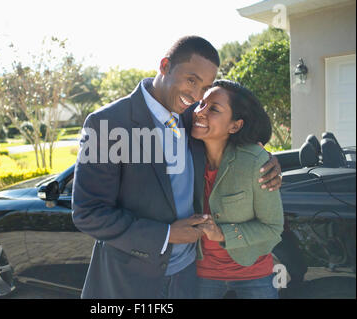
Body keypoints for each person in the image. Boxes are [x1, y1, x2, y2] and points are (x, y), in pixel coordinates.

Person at [72, 36, 282, 299]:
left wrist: (267, 158)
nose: (196, 96)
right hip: (131, 281)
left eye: (204, 87)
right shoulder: (107, 123)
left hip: (187, 278)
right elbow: (88, 213)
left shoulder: (191, 119)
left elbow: (234, 137)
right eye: (191, 80)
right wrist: (167, 234)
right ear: (164, 66)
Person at [189, 80, 284, 299]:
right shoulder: (185, 155)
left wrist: (221, 233)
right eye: (201, 104)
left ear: (235, 125)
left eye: (214, 109)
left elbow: (272, 227)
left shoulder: (255, 162)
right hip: (201, 273)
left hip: (254, 274)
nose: (199, 112)